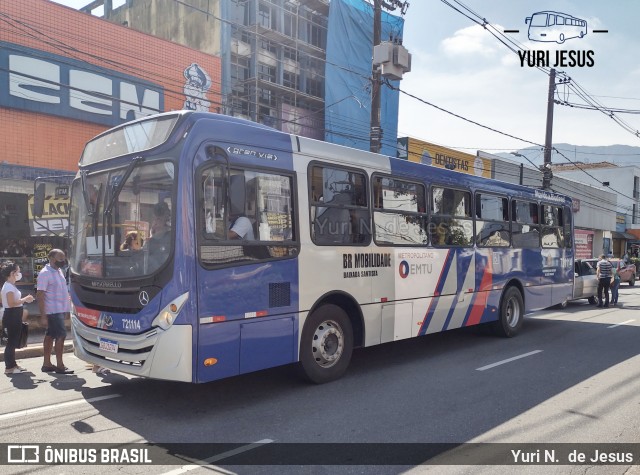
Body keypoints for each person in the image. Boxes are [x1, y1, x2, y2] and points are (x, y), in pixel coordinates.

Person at [37, 249, 73, 374]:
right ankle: (60, 365)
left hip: (60, 310)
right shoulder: (45, 273)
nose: (63, 261)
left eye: (64, 258)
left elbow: (63, 292)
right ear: (52, 258)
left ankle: (47, 364)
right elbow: (40, 295)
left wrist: (67, 309)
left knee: (50, 335)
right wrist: (43, 316)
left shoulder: (59, 271)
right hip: (53, 311)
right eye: (60, 258)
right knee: (61, 336)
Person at [1, 262, 35, 375]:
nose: (19, 274)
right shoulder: (8, 287)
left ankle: (13, 364)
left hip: (14, 315)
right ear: (12, 273)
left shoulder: (10, 285)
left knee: (14, 340)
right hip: (11, 315)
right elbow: (11, 303)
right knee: (11, 342)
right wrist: (25, 299)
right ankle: (9, 367)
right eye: (18, 272)